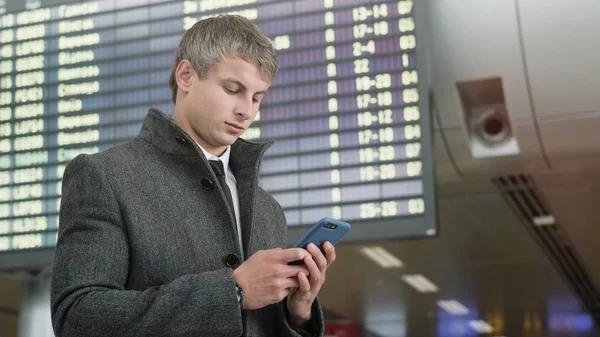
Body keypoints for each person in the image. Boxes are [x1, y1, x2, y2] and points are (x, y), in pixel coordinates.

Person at [50, 14, 336, 337]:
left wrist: (297, 315)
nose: (247, 111)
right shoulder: (105, 176)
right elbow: (77, 318)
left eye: (257, 97)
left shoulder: (269, 211)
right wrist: (234, 291)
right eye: (233, 89)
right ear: (186, 75)